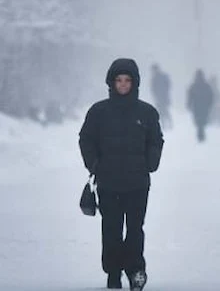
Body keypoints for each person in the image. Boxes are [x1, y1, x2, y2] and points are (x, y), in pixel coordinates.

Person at [79, 58, 164, 290]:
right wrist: (94, 164)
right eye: (119, 80)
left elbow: (156, 140)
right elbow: (86, 139)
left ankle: (136, 271)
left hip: (138, 182)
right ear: (112, 82)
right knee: (111, 229)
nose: (123, 84)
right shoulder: (99, 112)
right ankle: (113, 272)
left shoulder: (147, 113)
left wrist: (151, 162)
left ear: (134, 82)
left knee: (135, 229)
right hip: (108, 182)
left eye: (127, 80)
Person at [186, 69, 214, 142]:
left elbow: (210, 96)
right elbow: (190, 96)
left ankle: (200, 134)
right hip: (199, 106)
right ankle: (201, 133)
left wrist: (189, 104)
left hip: (200, 106)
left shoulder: (197, 85)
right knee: (200, 121)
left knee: (200, 121)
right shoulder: (200, 85)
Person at [150, 63, 172, 129]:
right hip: (160, 97)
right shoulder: (156, 78)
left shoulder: (160, 77)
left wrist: (164, 93)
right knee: (162, 111)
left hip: (163, 97)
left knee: (164, 110)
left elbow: (168, 85)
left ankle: (168, 123)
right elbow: (153, 88)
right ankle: (165, 124)